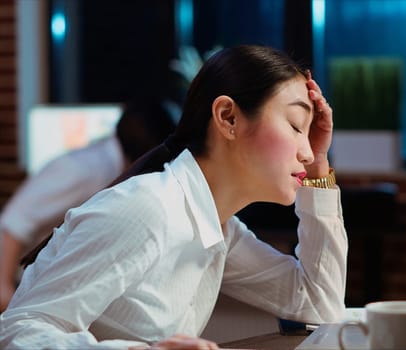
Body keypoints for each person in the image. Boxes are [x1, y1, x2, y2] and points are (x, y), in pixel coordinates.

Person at [0, 45, 348, 349]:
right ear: (228, 118)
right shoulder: (147, 210)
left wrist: (319, 173)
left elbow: (319, 304)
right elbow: (16, 333)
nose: (307, 151)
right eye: (295, 125)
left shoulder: (218, 227)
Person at [0, 99, 177, 312]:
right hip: (27, 287)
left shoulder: (111, 166)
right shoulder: (85, 168)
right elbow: (13, 223)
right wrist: (5, 293)